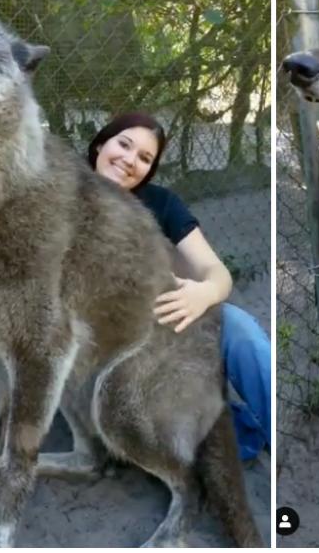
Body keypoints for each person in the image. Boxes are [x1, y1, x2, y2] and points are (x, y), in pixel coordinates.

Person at [87, 111, 271, 461]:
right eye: (123, 144)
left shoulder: (160, 203)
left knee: (241, 330)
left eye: (144, 158)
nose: (129, 160)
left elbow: (217, 272)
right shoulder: (61, 199)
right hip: (106, 346)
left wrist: (203, 293)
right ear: (100, 144)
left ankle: (272, 434)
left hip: (166, 318)